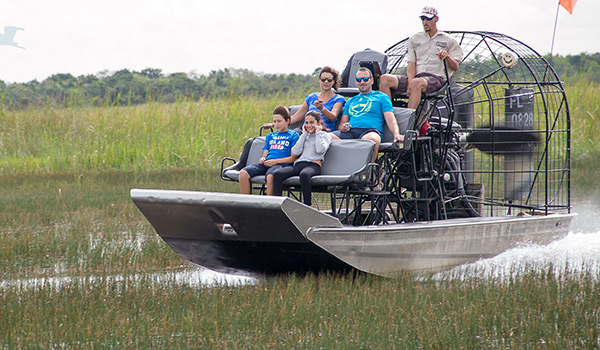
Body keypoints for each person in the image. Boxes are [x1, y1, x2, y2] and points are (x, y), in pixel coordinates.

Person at [378, 6, 463, 110]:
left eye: (428, 19)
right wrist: (410, 82)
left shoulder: (449, 40)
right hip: (416, 78)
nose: (425, 22)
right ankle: (388, 116)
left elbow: (455, 67)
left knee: (416, 83)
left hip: (436, 79)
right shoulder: (414, 39)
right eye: (423, 19)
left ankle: (409, 121)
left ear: (436, 19)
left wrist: (447, 57)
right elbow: (411, 63)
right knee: (384, 79)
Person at [331, 67, 403, 160]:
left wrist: (396, 134)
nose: (362, 82)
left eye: (365, 79)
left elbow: (391, 119)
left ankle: (369, 172)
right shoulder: (351, 101)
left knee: (371, 140)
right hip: (350, 132)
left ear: (372, 80)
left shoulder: (381, 97)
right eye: (359, 79)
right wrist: (343, 127)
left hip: (369, 131)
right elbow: (342, 124)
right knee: (326, 138)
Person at [272, 111, 332, 206]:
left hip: (313, 165)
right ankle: (277, 205)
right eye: (306, 123)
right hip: (299, 164)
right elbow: (295, 152)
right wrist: (304, 135)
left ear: (319, 123)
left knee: (304, 175)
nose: (309, 125)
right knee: (278, 174)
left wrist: (318, 133)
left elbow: (320, 150)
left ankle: (307, 205)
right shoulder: (304, 136)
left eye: (312, 122)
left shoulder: (325, 136)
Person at [239, 105, 299, 196]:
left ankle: (268, 204)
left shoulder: (293, 135)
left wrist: (275, 162)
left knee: (271, 176)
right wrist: (262, 159)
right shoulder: (270, 136)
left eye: (279, 121)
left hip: (281, 165)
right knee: (243, 173)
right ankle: (246, 202)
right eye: (274, 122)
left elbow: (293, 158)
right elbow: (265, 155)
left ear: (287, 121)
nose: (276, 124)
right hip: (267, 163)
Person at [263, 66, 345, 132]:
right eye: (323, 79)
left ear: (334, 82)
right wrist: (273, 124)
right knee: (292, 134)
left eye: (329, 80)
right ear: (319, 81)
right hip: (305, 130)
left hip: (323, 131)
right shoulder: (311, 98)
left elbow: (332, 117)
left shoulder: (338, 99)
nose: (326, 82)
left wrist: (321, 108)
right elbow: (295, 117)